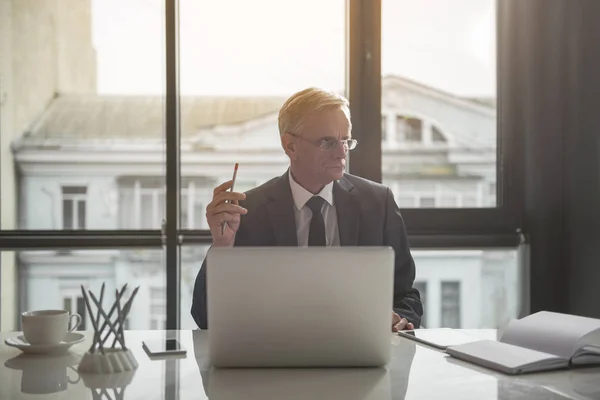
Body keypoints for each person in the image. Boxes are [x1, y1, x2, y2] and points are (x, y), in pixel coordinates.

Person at [191, 87, 423, 331]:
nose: (341, 152)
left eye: (345, 140)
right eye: (328, 142)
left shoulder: (378, 203)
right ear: (290, 145)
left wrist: (399, 318)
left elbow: (406, 297)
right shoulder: (248, 212)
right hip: (277, 356)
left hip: (359, 352)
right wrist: (222, 248)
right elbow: (205, 318)